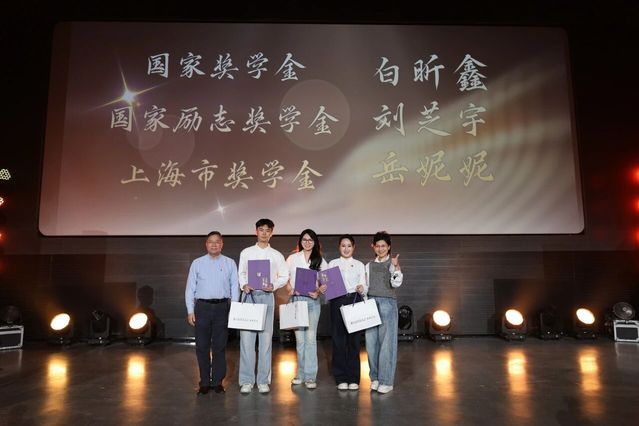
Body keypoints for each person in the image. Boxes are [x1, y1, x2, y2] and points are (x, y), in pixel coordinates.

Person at [237, 218, 289, 394]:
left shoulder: (276, 255)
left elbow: (284, 276)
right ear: (256, 231)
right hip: (249, 296)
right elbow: (241, 273)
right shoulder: (246, 252)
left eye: (268, 230)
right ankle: (246, 380)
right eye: (261, 229)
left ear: (271, 233)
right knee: (246, 340)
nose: (264, 233)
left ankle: (263, 380)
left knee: (266, 340)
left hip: (267, 296)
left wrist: (273, 285)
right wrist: (244, 285)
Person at [185, 231, 239, 395]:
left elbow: (235, 287)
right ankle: (204, 382)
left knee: (219, 347)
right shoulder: (197, 263)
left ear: (222, 244)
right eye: (211, 242)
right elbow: (190, 288)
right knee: (201, 346)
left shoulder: (230, 263)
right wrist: (190, 310)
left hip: (222, 308)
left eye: (217, 242)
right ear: (206, 244)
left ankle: (217, 382)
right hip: (202, 308)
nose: (214, 244)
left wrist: (234, 309)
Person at [285, 229, 328, 389]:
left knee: (310, 340)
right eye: (304, 239)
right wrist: (290, 289)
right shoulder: (292, 258)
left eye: (310, 240)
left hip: (312, 303)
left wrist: (318, 292)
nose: (307, 242)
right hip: (296, 301)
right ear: (300, 241)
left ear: (315, 242)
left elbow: (326, 282)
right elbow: (284, 277)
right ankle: (300, 374)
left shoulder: (320, 260)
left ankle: (310, 376)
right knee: (300, 341)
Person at [327, 234, 367, 391]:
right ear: (339, 247)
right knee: (338, 340)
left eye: (349, 245)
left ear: (353, 247)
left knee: (354, 341)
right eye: (343, 245)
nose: (346, 248)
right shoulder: (332, 263)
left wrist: (362, 288)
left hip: (354, 300)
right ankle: (341, 377)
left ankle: (353, 378)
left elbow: (364, 285)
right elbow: (327, 284)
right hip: (337, 301)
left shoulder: (359, 265)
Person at [365, 231, 403, 394]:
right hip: (370, 303)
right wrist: (362, 290)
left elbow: (396, 283)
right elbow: (366, 286)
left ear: (389, 247)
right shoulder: (368, 265)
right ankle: (375, 378)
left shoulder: (392, 263)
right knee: (371, 344)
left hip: (387, 304)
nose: (380, 249)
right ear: (373, 247)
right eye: (377, 246)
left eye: (383, 246)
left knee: (387, 343)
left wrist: (396, 267)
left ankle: (386, 380)